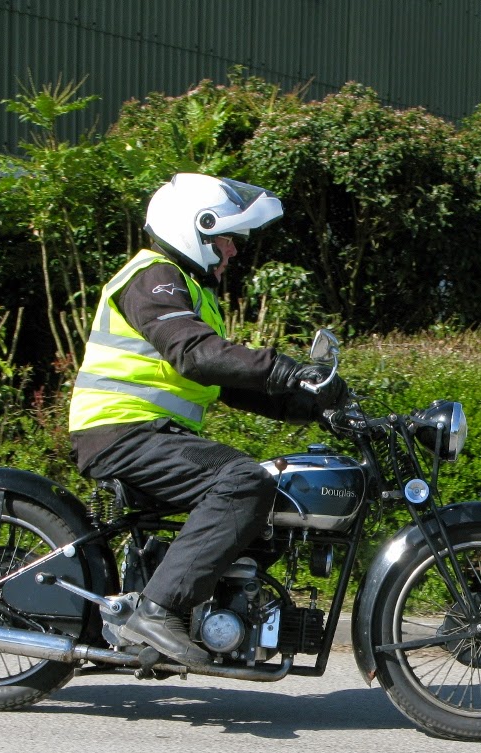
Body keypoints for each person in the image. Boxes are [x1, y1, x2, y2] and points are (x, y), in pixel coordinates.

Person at [67, 173, 344, 667]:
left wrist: (315, 406)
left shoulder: (191, 292)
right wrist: (284, 367)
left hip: (147, 433)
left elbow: (227, 382)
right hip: (120, 431)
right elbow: (196, 354)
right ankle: (157, 610)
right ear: (196, 228)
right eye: (226, 238)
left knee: (268, 497)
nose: (233, 250)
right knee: (242, 481)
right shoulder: (152, 277)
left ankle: (206, 610)